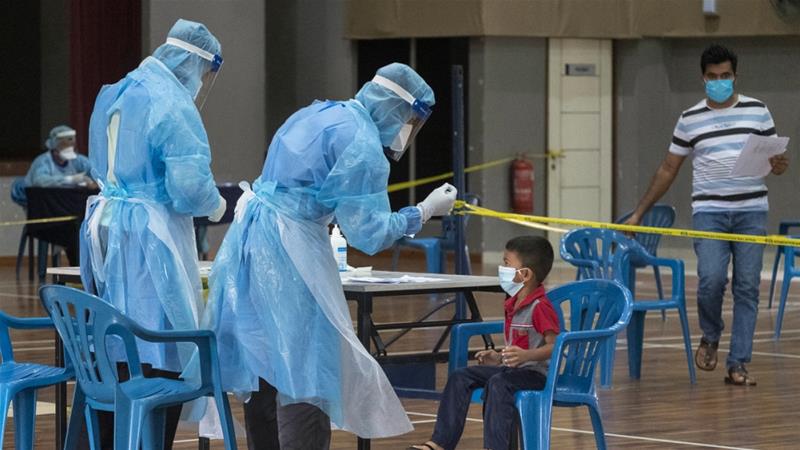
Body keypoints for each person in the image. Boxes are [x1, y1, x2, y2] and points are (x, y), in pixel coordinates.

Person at [202, 62, 456, 449]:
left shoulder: (317, 113)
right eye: (410, 119)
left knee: (264, 359)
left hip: (250, 243)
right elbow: (368, 233)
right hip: (293, 250)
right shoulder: (364, 146)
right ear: (397, 109)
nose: (406, 130)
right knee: (307, 365)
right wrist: (422, 211)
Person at [78, 19, 227, 449]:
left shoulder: (117, 90)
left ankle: (112, 438)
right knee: (160, 343)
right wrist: (217, 204)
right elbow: (189, 188)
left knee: (116, 343)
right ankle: (149, 439)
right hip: (149, 236)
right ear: (194, 63)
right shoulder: (173, 102)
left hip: (105, 228)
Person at [625, 44, 789, 386]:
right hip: (709, 213)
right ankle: (711, 334)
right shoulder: (689, 118)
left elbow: (775, 162)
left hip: (752, 211)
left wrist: (779, 165)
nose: (719, 81)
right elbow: (669, 168)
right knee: (711, 280)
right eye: (712, 77)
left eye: (725, 76)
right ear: (703, 78)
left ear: (735, 75)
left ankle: (738, 363)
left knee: (747, 287)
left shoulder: (759, 111)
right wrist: (638, 213)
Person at [408, 235, 558, 450]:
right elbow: (518, 345)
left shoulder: (540, 307)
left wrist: (526, 356)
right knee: (461, 376)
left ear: (524, 274)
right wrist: (498, 356)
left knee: (498, 384)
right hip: (511, 371)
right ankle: (440, 443)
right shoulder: (513, 303)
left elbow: (555, 346)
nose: (502, 267)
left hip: (536, 376)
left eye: (507, 263)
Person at [24, 125, 95, 188]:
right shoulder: (44, 161)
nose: (69, 150)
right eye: (64, 147)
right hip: (45, 199)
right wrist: (70, 179)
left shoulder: (77, 160)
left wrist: (91, 181)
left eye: (71, 146)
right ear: (54, 149)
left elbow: (94, 171)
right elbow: (39, 181)